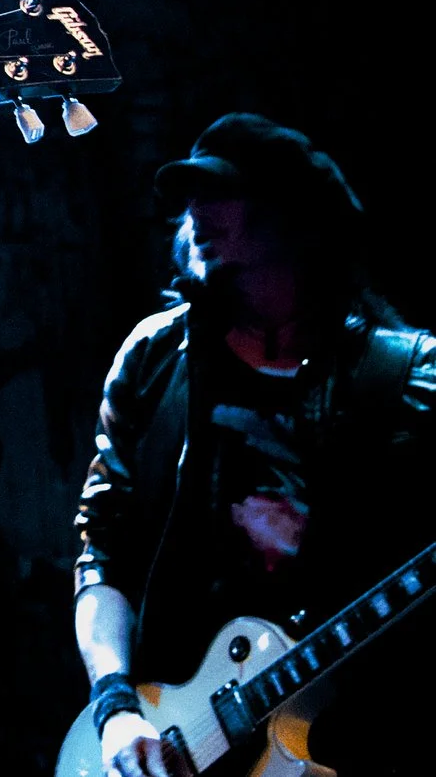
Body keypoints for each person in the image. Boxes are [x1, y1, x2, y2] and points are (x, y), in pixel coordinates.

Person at [74, 114, 434, 777]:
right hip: (176, 735)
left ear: (296, 217)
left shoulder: (408, 375)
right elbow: (103, 552)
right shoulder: (155, 358)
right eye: (189, 197)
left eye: (220, 192)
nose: (195, 213)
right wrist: (116, 706)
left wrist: (317, 548)